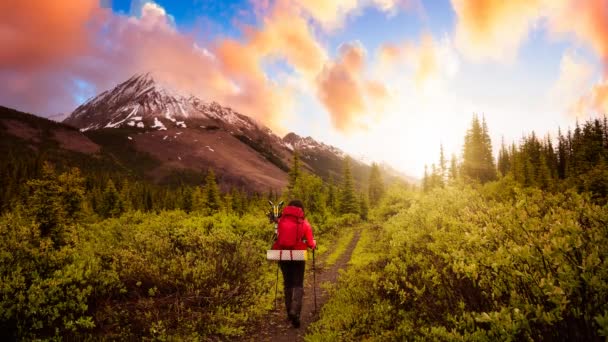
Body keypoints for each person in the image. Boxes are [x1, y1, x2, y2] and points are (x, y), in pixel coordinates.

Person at [272, 199, 316, 328]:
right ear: (301, 209)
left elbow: (277, 237)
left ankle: (288, 312)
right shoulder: (305, 224)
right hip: (298, 255)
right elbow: (310, 243)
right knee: (298, 283)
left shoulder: (280, 221)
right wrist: (314, 244)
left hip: (283, 255)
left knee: (287, 283)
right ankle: (295, 313)